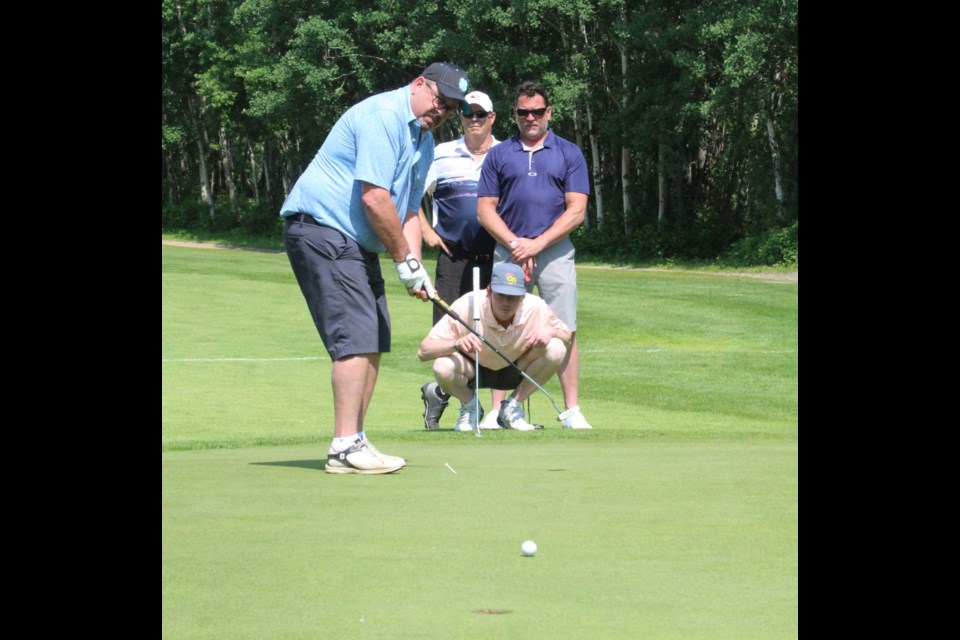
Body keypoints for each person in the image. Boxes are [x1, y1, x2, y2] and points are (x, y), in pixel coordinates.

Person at [281, 63, 470, 474]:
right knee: (354, 338)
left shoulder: (421, 142)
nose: (441, 112)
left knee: (373, 336)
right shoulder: (384, 115)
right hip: (323, 229)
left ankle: (355, 441)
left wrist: (414, 266)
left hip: (354, 242)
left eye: (450, 108)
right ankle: (344, 445)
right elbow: (374, 199)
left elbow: (405, 211)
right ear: (419, 84)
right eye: (439, 100)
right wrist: (402, 260)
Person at [477, 81, 593, 429]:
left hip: (554, 252)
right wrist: (516, 244)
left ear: (549, 113)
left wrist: (536, 244)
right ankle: (499, 412)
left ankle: (571, 409)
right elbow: (485, 210)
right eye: (523, 112)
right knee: (503, 327)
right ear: (514, 114)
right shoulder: (499, 154)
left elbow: (576, 211)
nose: (530, 118)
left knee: (564, 329)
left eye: (537, 111)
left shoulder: (568, 153)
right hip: (509, 250)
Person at [417, 90, 506, 431]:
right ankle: (467, 404)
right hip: (453, 260)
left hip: (497, 258)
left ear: (492, 118)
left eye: (480, 114)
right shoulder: (440, 154)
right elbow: (412, 196)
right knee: (450, 334)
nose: (473, 119)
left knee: (497, 335)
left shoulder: (505, 154)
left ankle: (491, 410)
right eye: (467, 112)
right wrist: (426, 230)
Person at [418, 263, 571, 432]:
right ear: (489, 291)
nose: (506, 303)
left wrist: (551, 331)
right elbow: (424, 351)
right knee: (442, 366)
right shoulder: (467, 304)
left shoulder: (535, 306)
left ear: (522, 297)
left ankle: (511, 407)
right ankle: (470, 406)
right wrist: (456, 344)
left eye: (512, 297)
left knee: (557, 348)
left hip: (515, 368)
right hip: (473, 370)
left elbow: (567, 336)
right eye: (501, 295)